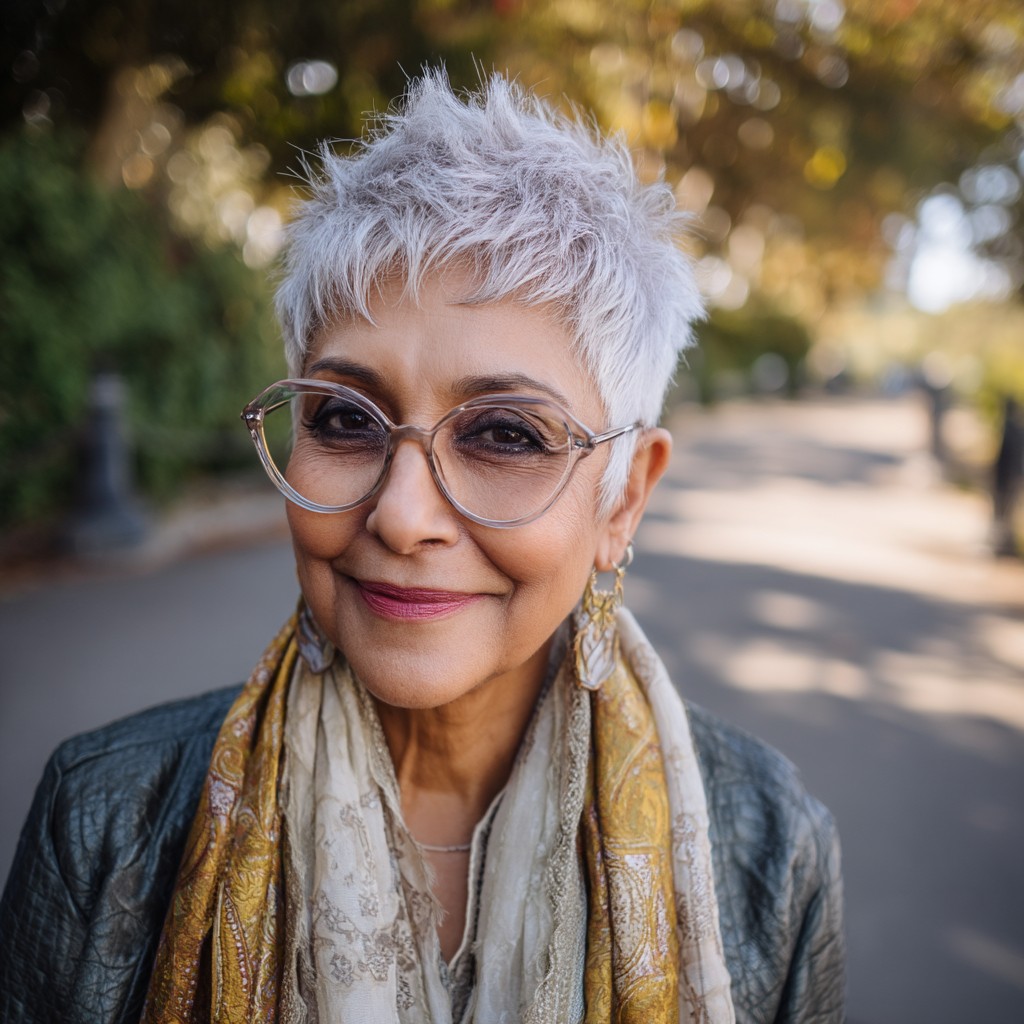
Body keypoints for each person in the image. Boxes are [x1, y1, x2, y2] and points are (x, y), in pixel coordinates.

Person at [0, 71, 843, 1023]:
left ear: (625, 499)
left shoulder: (771, 848)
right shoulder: (105, 818)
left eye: (506, 436)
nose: (402, 516)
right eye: (344, 418)